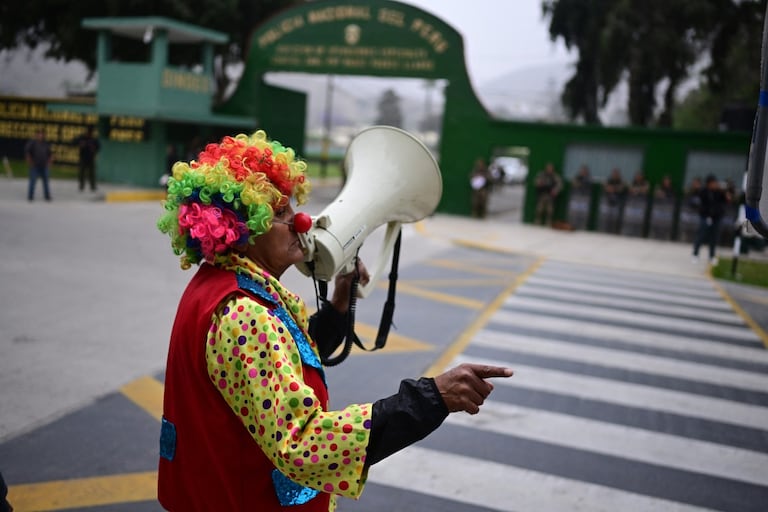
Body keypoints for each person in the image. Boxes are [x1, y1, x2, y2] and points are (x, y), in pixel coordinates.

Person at [156, 130, 513, 511]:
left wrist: (338, 306)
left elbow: (272, 365)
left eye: (292, 208)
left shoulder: (217, 286)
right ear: (241, 229)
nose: (301, 222)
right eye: (280, 213)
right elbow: (303, 443)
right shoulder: (245, 313)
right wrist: (432, 398)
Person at [692, 174, 729, 265]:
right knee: (701, 235)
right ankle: (695, 254)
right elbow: (697, 198)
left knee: (714, 237)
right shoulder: (704, 192)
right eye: (712, 183)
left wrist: (724, 192)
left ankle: (711, 256)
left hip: (716, 217)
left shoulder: (719, 192)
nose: (714, 185)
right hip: (705, 217)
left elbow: (727, 200)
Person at [24, 128, 53, 202]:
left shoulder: (46, 143)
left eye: (42, 134)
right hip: (35, 165)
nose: (40, 135)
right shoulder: (32, 143)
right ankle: (30, 196)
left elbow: (50, 154)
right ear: (36, 135)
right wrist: (30, 162)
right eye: (39, 134)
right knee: (33, 181)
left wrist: (49, 162)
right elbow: (27, 153)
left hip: (44, 166)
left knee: (46, 182)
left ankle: (47, 196)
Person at [76, 125, 100, 192]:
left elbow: (98, 147)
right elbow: (75, 142)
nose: (90, 133)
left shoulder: (94, 139)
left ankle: (92, 186)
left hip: (91, 157)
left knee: (92, 173)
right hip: (83, 157)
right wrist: (81, 144)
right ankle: (81, 186)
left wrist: (94, 149)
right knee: (82, 173)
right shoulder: (82, 137)